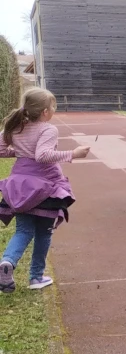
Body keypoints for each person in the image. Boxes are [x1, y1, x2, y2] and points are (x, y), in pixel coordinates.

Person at [0, 88, 92, 293]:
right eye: (52, 107)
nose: (53, 110)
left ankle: (6, 262)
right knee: (44, 232)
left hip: (21, 184)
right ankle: (36, 277)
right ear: (44, 111)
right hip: (45, 186)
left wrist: (21, 152)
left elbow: (1, 149)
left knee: (23, 230)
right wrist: (73, 153)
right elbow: (43, 155)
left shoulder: (16, 126)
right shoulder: (48, 129)